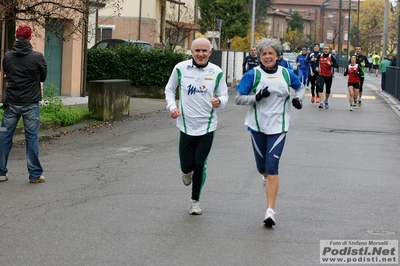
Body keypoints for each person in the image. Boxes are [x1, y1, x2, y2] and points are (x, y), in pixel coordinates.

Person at [234, 37, 305, 228]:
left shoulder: (286, 73)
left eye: (270, 53)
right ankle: (265, 177)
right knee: (262, 168)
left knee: (273, 166)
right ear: (259, 56)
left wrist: (298, 99)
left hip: (279, 127)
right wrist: (256, 97)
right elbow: (238, 98)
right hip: (257, 126)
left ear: (277, 55)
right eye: (264, 53)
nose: (267, 57)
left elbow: (300, 88)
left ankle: (270, 211)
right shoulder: (253, 74)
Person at [165, 38, 229, 215]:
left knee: (200, 163)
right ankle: (186, 171)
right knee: (187, 166)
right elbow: (169, 89)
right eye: (197, 51)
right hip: (186, 125)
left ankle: (195, 201)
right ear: (191, 52)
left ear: (210, 52)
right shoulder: (180, 68)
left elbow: (224, 95)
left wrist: (219, 102)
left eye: (204, 51)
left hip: (207, 126)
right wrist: (172, 107)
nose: (200, 54)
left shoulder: (216, 72)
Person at [0, 25, 47, 183]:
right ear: (30, 37)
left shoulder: (7, 56)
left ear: (15, 36)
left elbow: (7, 74)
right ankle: (34, 175)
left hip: (11, 105)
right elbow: (43, 77)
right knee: (31, 138)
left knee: (4, 135)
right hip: (31, 105)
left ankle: (1, 172)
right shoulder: (37, 57)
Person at [315, 44, 338, 109]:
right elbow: (317, 62)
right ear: (323, 49)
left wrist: (331, 64)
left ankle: (326, 100)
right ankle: (321, 102)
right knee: (320, 87)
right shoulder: (320, 56)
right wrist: (317, 67)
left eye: (327, 49)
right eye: (324, 49)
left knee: (328, 90)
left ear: (329, 50)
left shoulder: (331, 57)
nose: (325, 50)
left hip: (329, 75)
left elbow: (336, 65)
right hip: (321, 74)